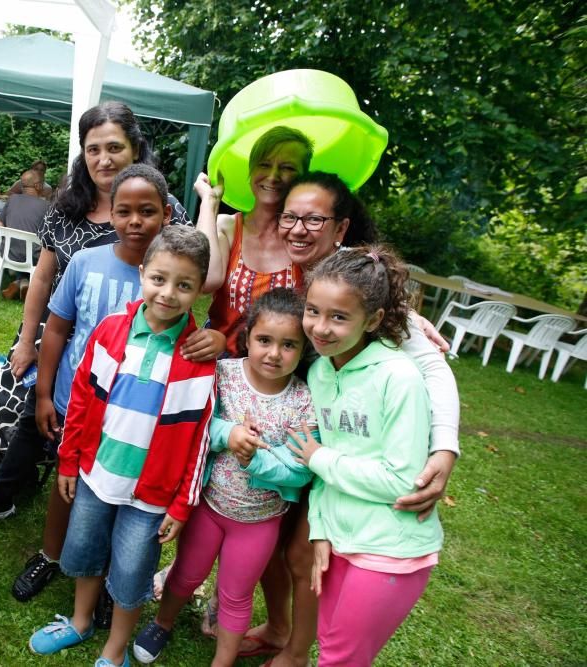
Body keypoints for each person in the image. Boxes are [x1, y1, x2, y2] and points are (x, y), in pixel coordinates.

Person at [241, 172, 459, 667]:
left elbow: (429, 367)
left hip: (358, 483)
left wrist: (444, 447)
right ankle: (283, 633)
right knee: (286, 546)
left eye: (313, 218)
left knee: (307, 569)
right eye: (290, 217)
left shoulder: (369, 297)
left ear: (340, 228)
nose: (298, 228)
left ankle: (298, 650)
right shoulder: (288, 279)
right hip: (308, 448)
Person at [27, 225, 216, 667]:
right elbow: (80, 402)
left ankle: (116, 649)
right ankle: (80, 621)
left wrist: (181, 507)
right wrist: (69, 463)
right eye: (159, 279)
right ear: (143, 272)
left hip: (150, 496)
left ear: (199, 291)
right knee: (86, 551)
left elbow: (199, 441)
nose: (168, 293)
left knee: (131, 572)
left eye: (184, 285)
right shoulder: (111, 331)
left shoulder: (199, 360)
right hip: (95, 475)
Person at [0, 164, 170, 527]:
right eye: (124, 211)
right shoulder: (86, 261)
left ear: (166, 214)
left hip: (119, 410)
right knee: (31, 435)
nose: (134, 221)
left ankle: (78, 540)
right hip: (68, 392)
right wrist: (43, 394)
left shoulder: (166, 282)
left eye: (147, 212)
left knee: (88, 481)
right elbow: (55, 329)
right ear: (111, 212)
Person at [133, 288, 315, 667]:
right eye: (264, 340)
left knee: (236, 593)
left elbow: (299, 469)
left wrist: (254, 461)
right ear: (247, 336)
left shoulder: (303, 399)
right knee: (185, 574)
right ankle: (162, 622)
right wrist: (228, 434)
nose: (274, 353)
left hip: (259, 521)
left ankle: (224, 659)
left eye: (288, 345)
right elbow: (197, 421)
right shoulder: (223, 373)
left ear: (302, 349)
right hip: (209, 506)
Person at [287, 245, 442, 666]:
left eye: (339, 317)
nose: (320, 328)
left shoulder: (399, 378)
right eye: (313, 311)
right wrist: (319, 528)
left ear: (372, 320)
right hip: (338, 537)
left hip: (392, 547)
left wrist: (319, 458)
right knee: (330, 641)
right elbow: (322, 471)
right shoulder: (320, 371)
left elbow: (402, 480)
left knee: (340, 656)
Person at [196, 126, 313, 356]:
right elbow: (206, 280)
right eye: (264, 164)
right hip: (221, 363)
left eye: (287, 168)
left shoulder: (305, 238)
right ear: (251, 170)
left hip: (279, 373)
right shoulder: (227, 227)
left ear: (303, 177)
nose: (273, 176)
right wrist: (209, 204)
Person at [0, 169, 49, 265]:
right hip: (32, 259)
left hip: (7, 253)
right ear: (38, 185)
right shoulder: (46, 206)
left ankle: (20, 277)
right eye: (43, 183)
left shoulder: (12, 199)